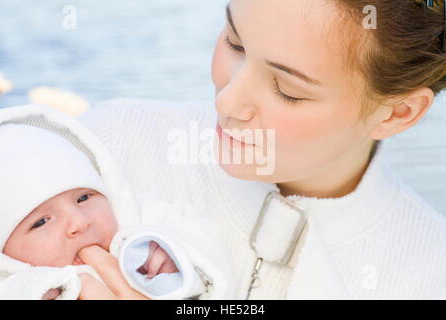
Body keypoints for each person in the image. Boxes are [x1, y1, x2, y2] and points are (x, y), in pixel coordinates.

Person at [78, 0, 446, 299]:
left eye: (288, 90)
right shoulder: (109, 146)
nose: (227, 102)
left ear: (399, 112)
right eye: (234, 43)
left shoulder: (428, 274)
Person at [0, 105, 232, 300]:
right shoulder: (14, 286)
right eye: (41, 222)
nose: (79, 221)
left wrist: (175, 256)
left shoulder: (138, 221)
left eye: (83, 197)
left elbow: (206, 239)